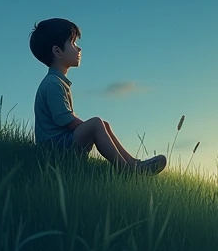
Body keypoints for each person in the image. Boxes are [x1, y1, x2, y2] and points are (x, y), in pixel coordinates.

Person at [29, 18, 167, 175]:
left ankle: (133, 163)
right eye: (72, 43)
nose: (78, 49)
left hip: (59, 143)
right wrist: (91, 128)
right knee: (96, 124)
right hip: (53, 149)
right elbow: (67, 122)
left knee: (103, 124)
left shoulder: (57, 81)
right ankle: (127, 170)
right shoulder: (53, 84)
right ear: (57, 51)